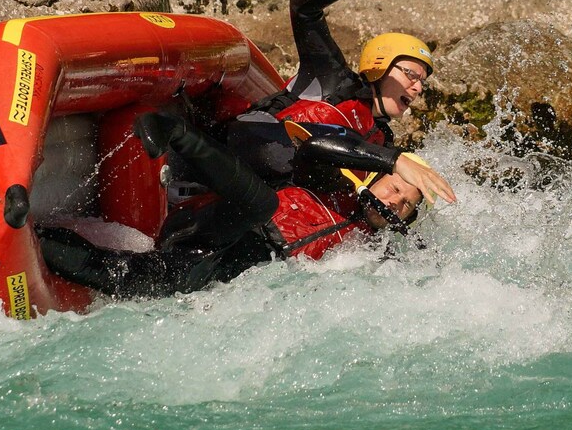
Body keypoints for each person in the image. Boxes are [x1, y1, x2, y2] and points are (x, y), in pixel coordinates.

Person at [39, 112, 436, 300]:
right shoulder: (334, 184)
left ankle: (38, 242)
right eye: (396, 187)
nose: (395, 198)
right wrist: (393, 158)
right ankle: (174, 129)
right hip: (223, 223)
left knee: (163, 284)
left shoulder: (374, 254)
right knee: (261, 204)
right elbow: (313, 146)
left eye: (405, 203)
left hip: (228, 263)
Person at [226, 0, 451, 205]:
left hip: (270, 200)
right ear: (381, 65)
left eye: (422, 83)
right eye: (411, 75)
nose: (417, 88)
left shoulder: (381, 139)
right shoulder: (331, 78)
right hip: (240, 154)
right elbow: (302, 8)